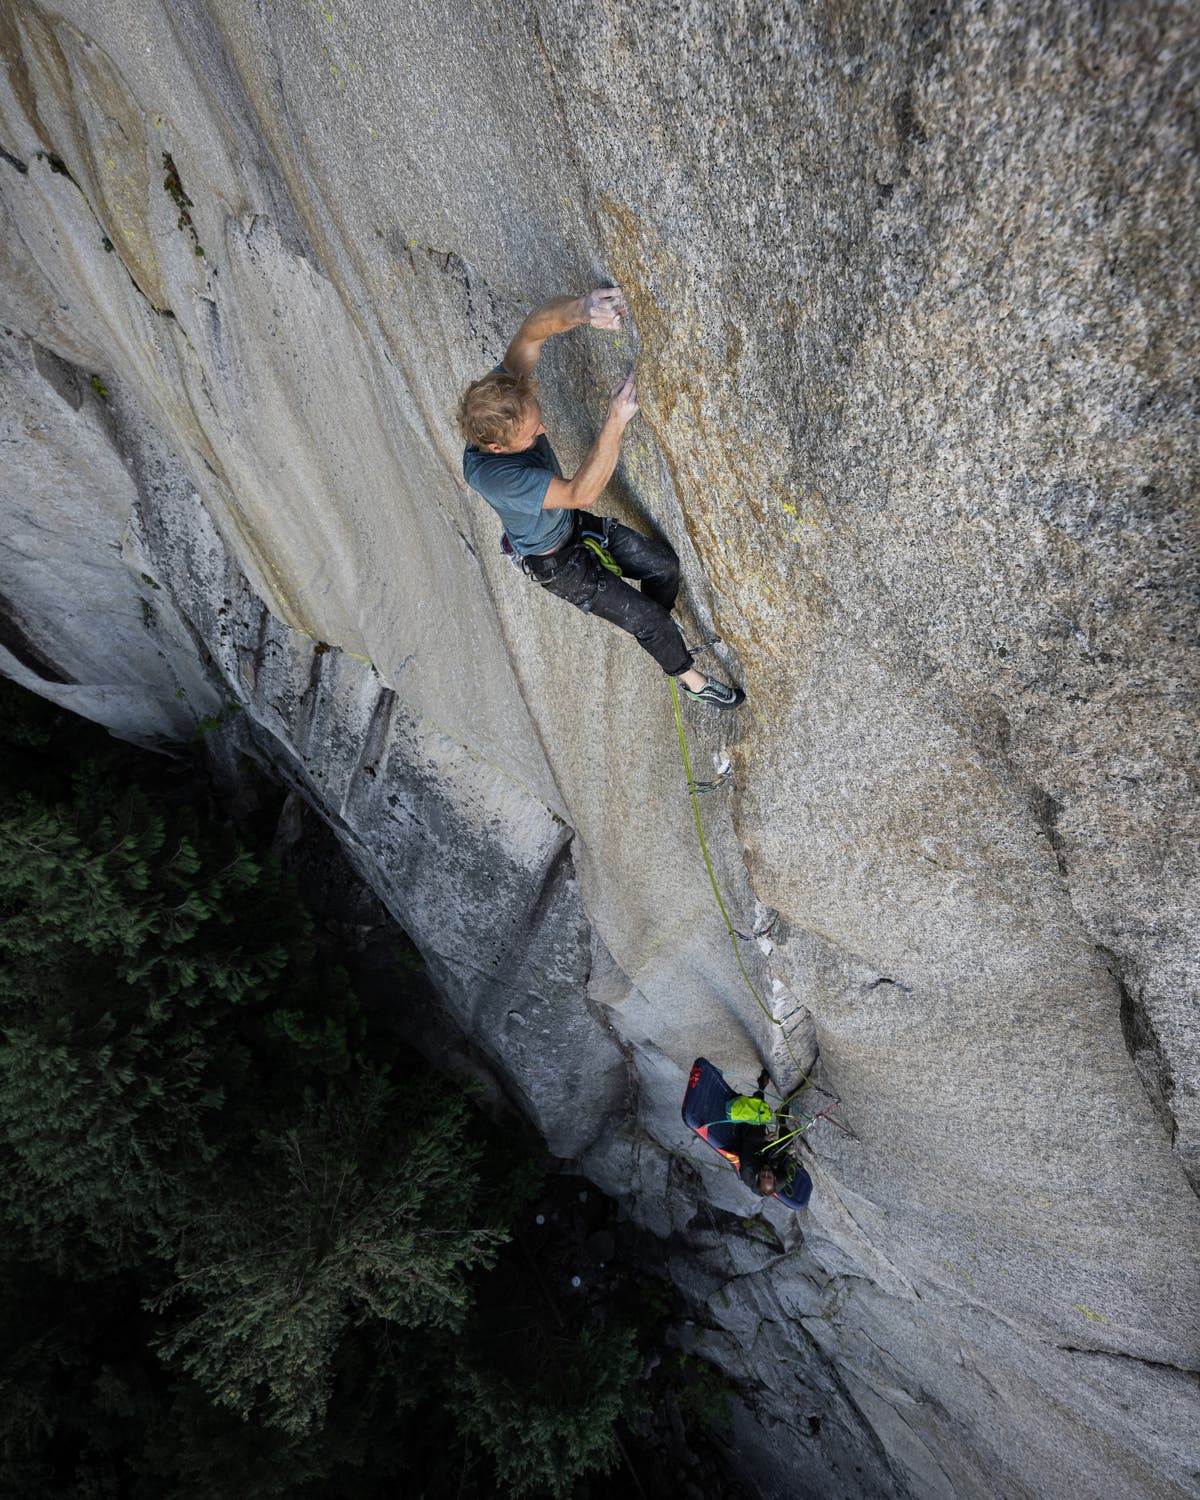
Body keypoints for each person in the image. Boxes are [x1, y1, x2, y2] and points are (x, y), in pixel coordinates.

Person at [457, 287, 745, 709]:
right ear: (498, 448)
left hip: (571, 528)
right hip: (555, 563)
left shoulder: (504, 400)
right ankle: (689, 679)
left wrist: (584, 310)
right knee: (646, 620)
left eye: (537, 419)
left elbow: (532, 331)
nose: (542, 430)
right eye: (532, 433)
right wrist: (615, 420)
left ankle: (660, 632)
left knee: (664, 566)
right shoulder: (497, 477)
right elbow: (580, 492)